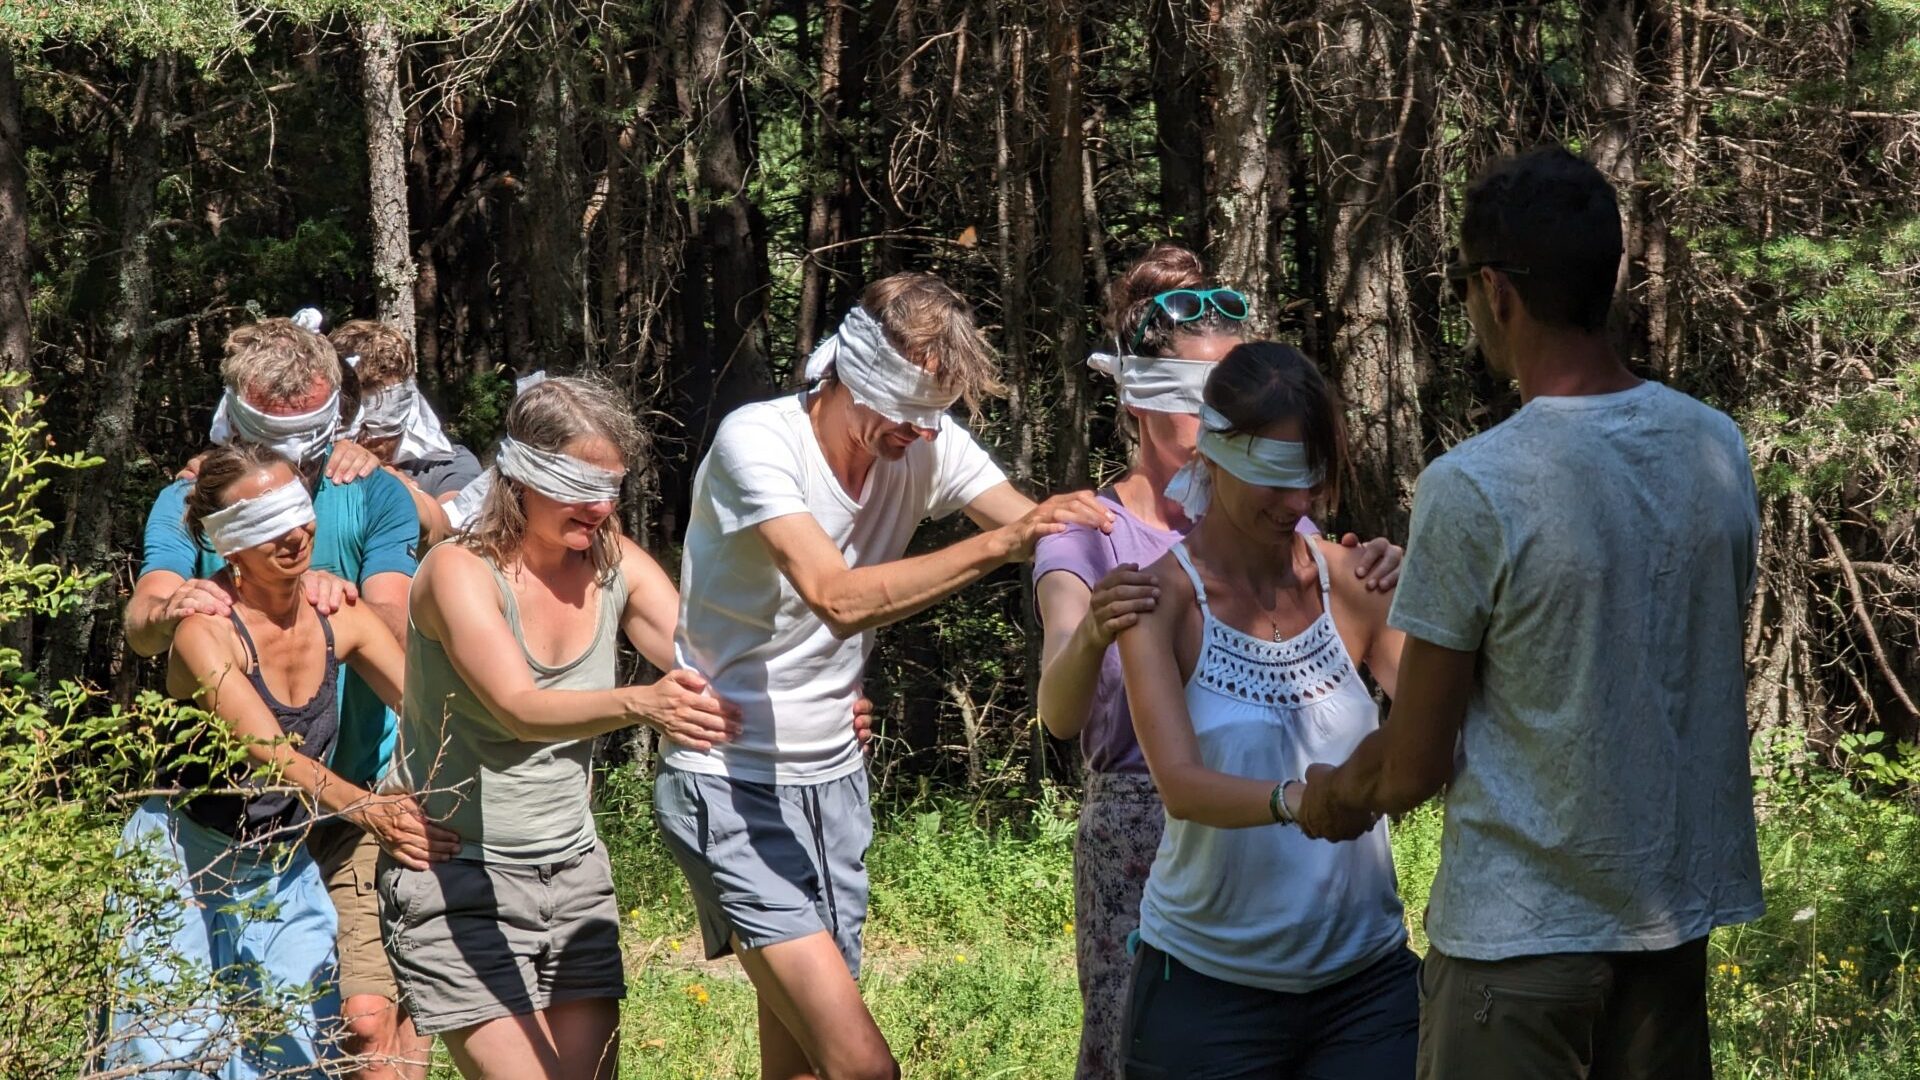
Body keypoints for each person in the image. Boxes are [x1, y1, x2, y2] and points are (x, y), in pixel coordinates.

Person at [1296, 146, 1763, 1080]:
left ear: (1497, 292)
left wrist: (1332, 796)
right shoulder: (1715, 448)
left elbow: (1415, 763)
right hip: (1671, 932)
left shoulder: (1476, 485)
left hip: (1516, 950)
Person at [657, 271, 1113, 1080]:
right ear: (852, 373)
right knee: (863, 1067)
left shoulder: (924, 442)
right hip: (729, 781)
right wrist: (1003, 545)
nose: (922, 431)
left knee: (804, 1065)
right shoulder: (757, 443)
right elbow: (836, 597)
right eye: (906, 409)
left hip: (834, 780)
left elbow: (1051, 534)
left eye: (936, 412)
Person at [1034, 242, 1402, 1080]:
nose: (1215, 423)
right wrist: (1093, 634)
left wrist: (1394, 576)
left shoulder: (1282, 519)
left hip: (1298, 858)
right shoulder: (1089, 534)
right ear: (1138, 399)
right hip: (1148, 834)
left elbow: (1354, 644)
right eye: (1195, 401)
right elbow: (1058, 714)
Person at [382, 376, 739, 1080]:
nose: (600, 507)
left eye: (610, 487)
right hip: (455, 877)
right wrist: (642, 703)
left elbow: (708, 660)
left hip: (574, 875)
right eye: (579, 486)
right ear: (522, 476)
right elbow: (518, 708)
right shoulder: (459, 572)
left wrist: (815, 699)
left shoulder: (613, 562)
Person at [123, 316, 430, 1078]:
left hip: (332, 804)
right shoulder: (194, 525)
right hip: (205, 832)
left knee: (329, 1034)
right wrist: (176, 606)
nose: (294, 536)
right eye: (268, 526)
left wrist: (330, 598)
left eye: (300, 518)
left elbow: (401, 652)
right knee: (171, 1049)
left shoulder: (371, 496)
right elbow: (149, 620)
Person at [1112, 340, 1420, 1077]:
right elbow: (1182, 786)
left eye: (1310, 477)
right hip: (1208, 994)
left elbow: (1441, 726)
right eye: (1274, 479)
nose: (1298, 504)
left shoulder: (1353, 584)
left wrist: (1431, 593)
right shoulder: (1159, 602)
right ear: (1214, 456)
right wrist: (1297, 802)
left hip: (1368, 987)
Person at [329, 319, 482, 546]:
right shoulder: (313, 464)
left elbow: (453, 530)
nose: (365, 439)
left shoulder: (450, 466)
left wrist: (389, 484)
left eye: (380, 422)